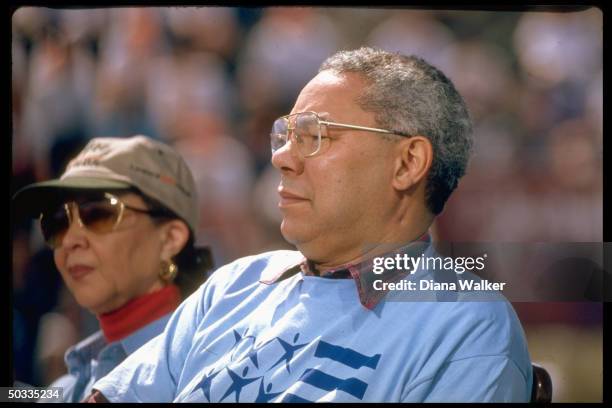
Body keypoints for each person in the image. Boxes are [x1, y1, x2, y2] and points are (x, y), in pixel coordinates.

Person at [88, 47, 532, 402]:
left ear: (407, 163)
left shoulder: (466, 328)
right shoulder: (234, 285)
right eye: (285, 135)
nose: (281, 157)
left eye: (316, 134)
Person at [12, 135, 213, 402]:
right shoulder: (68, 386)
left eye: (98, 213)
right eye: (56, 222)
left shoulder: (212, 369)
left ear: (170, 238)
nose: (71, 240)